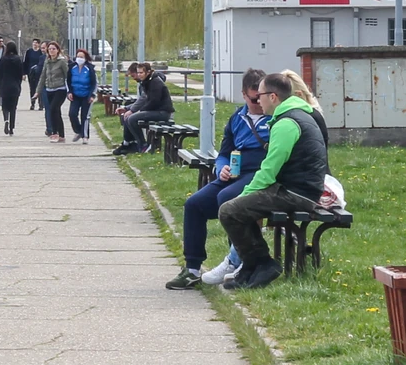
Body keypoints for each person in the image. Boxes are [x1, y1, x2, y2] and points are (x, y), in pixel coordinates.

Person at [218, 73, 329, 290]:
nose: (258, 100)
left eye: (260, 96)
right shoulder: (296, 114)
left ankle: (262, 264)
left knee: (229, 210)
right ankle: (251, 268)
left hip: (296, 194)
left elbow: (269, 170)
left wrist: (245, 193)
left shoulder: (286, 123)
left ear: (273, 96)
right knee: (241, 208)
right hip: (302, 190)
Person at [164, 68, 270, 290]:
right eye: (254, 99)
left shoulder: (275, 119)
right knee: (194, 205)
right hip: (234, 171)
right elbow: (224, 153)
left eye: (263, 97)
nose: (259, 103)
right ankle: (192, 268)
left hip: (259, 173)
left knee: (227, 198)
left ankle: (240, 261)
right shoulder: (237, 118)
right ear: (244, 95)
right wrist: (221, 169)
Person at [112, 63, 174, 155]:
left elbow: (153, 101)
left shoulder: (155, 82)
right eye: (138, 73)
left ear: (148, 72)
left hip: (162, 112)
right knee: (128, 117)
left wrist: (138, 111)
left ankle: (143, 145)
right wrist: (127, 109)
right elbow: (146, 101)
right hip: (155, 111)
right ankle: (131, 143)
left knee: (132, 118)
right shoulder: (147, 82)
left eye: (141, 73)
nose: (139, 75)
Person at [35, 41, 70, 143]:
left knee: (53, 108)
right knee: (55, 112)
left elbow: (68, 75)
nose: (51, 51)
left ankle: (55, 133)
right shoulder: (47, 61)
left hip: (60, 89)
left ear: (58, 50)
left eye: (53, 49)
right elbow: (43, 76)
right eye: (49, 49)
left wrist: (70, 90)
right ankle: (61, 135)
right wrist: (38, 91)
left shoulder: (62, 61)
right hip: (49, 89)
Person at [67, 48, 98, 144]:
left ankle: (85, 136)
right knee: (72, 114)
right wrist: (69, 92)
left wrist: (92, 95)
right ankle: (78, 131)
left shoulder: (90, 68)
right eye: (78, 56)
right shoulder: (72, 67)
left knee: (85, 116)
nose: (79, 58)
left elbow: (94, 83)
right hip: (75, 95)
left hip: (86, 96)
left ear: (85, 58)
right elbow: (67, 81)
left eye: (81, 57)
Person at [0, 41, 24, 135]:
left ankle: (6, 120)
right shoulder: (18, 59)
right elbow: (20, 74)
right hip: (15, 86)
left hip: (5, 85)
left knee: (5, 106)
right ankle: (11, 127)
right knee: (13, 107)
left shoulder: (3, 59)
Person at [23, 39, 46, 111]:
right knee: (32, 88)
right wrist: (24, 73)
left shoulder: (40, 52)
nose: (35, 44)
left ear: (39, 44)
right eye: (34, 43)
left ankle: (41, 104)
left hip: (39, 72)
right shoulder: (29, 51)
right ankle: (32, 103)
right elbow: (25, 62)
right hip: (31, 73)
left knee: (40, 88)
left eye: (36, 43)